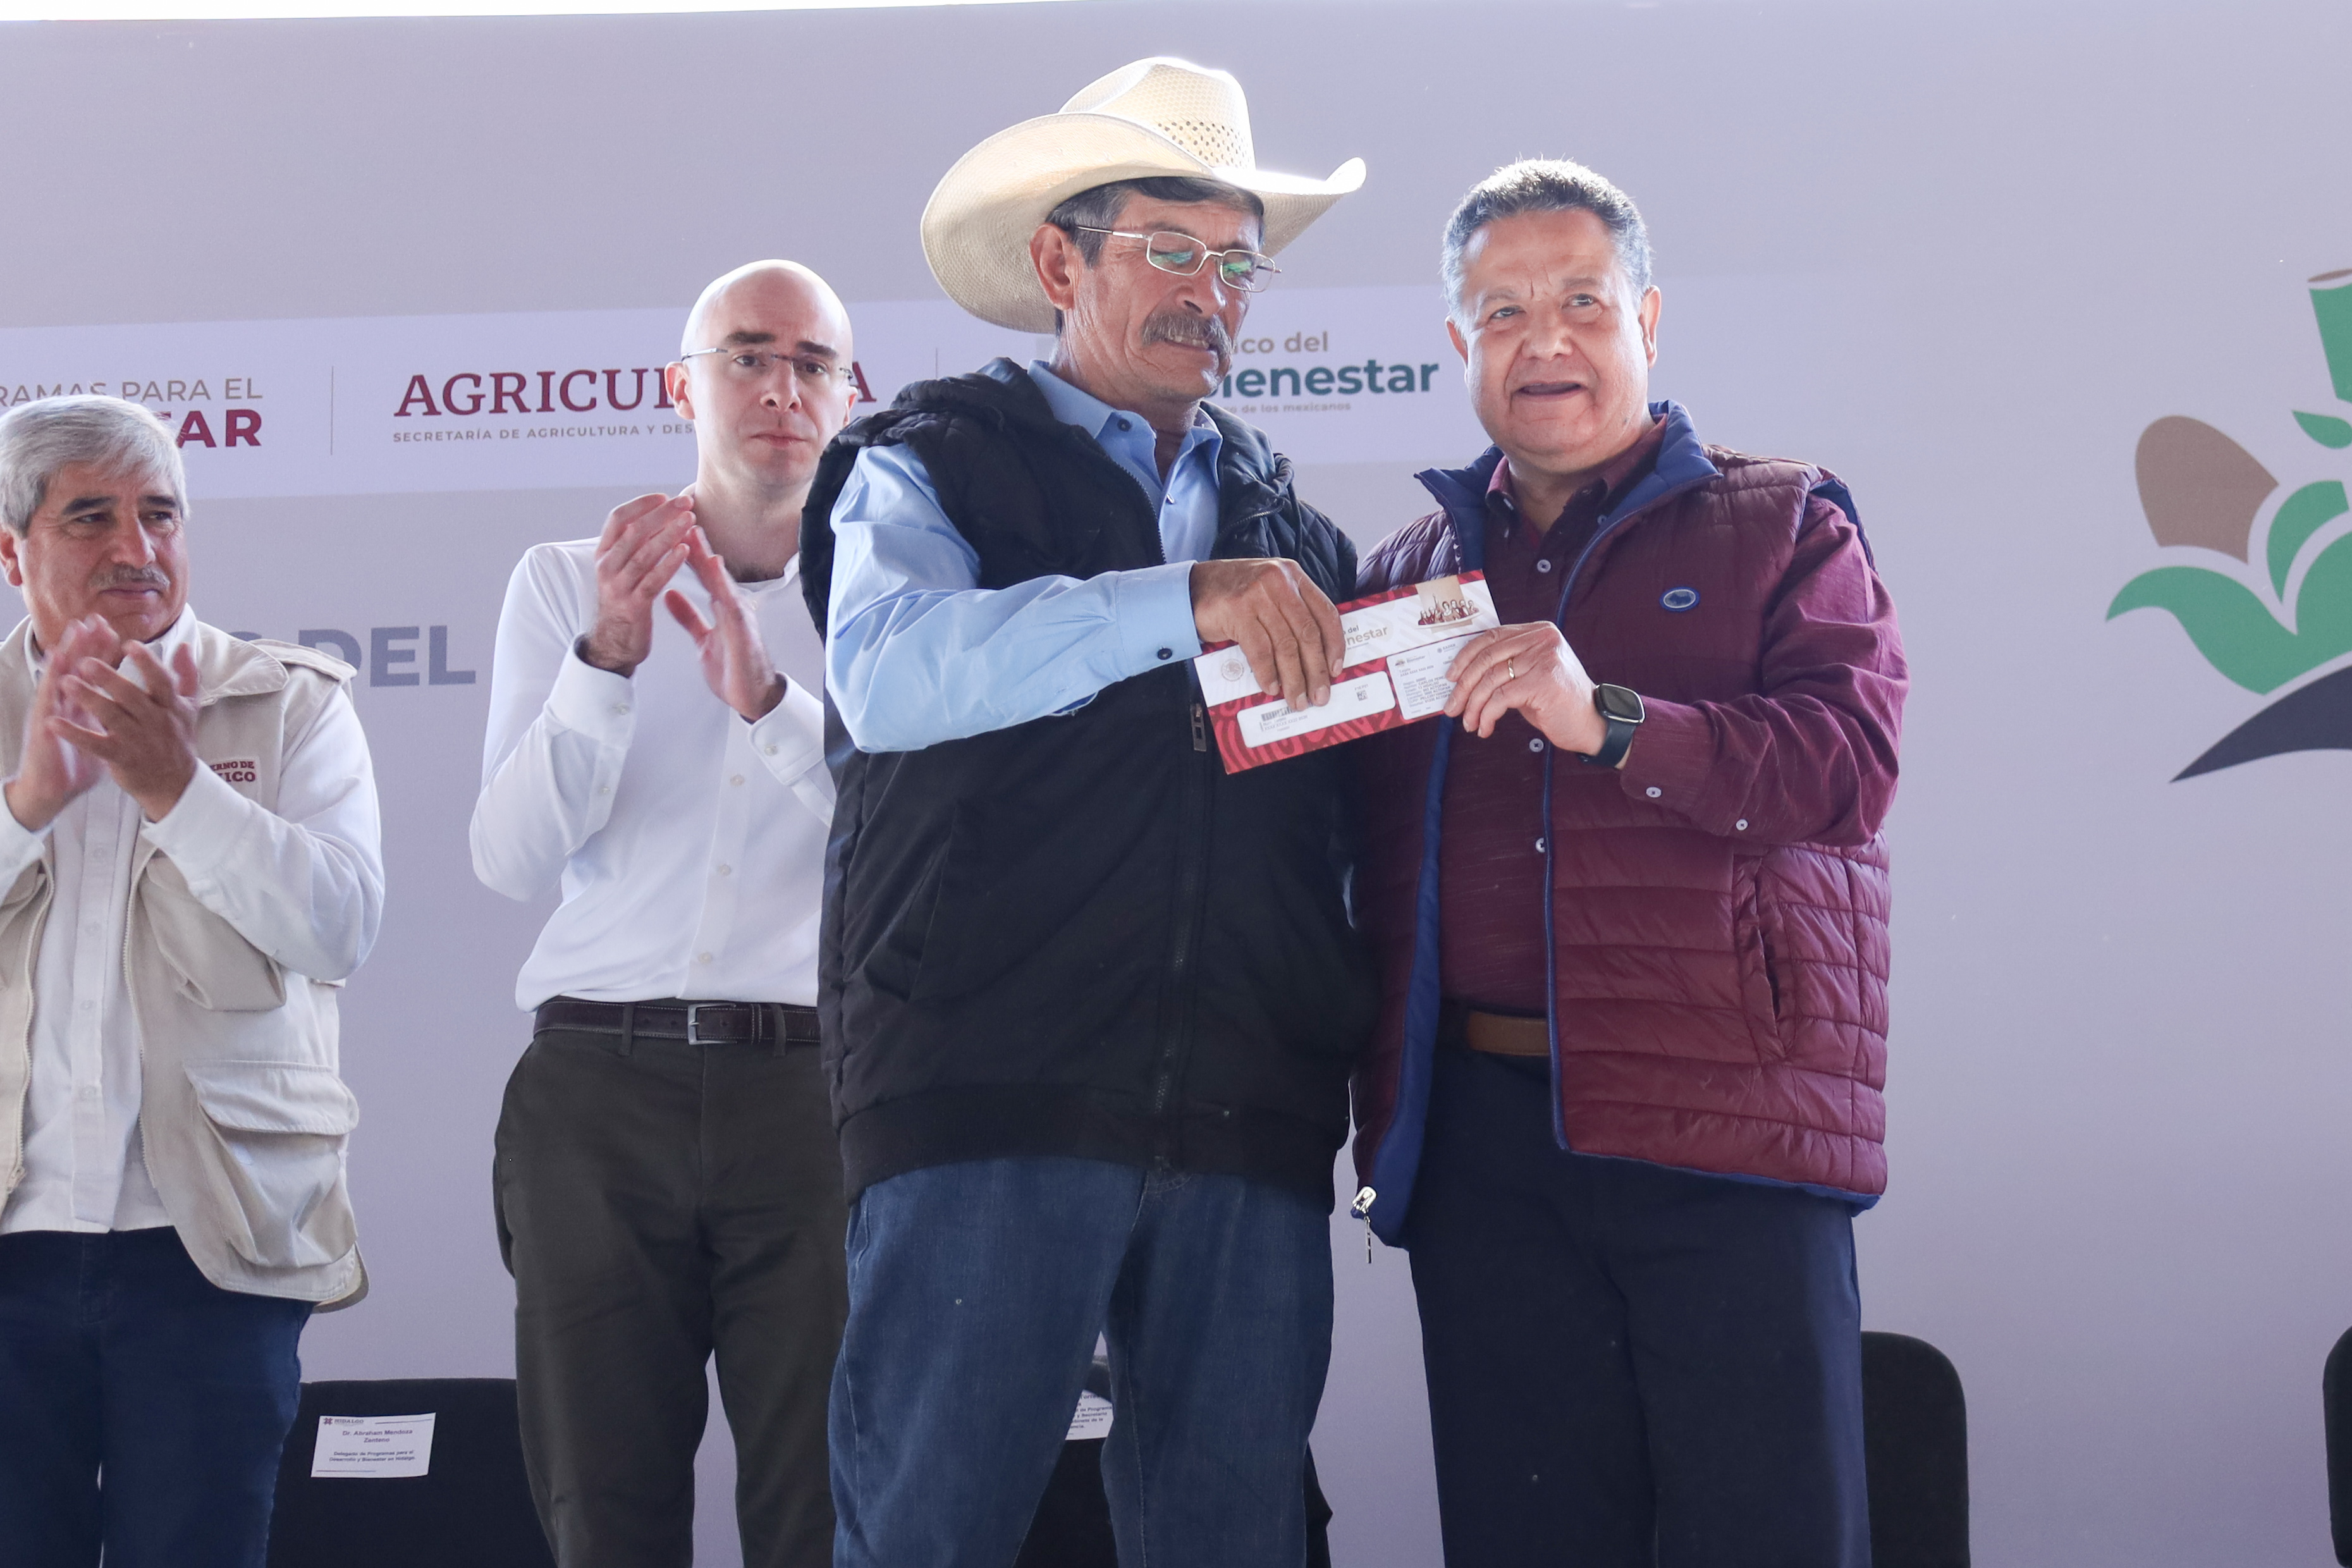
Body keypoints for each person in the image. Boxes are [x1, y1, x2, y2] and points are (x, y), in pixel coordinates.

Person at [799, 58, 1373, 1568]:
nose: (1211, 294)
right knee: (928, 1536)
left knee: (1236, 1541)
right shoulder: (925, 461)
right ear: (1060, 263)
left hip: (1248, 1114)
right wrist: (1181, 600)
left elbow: (1351, 840)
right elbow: (891, 675)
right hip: (987, 1089)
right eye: (1170, 250)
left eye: (1236, 262)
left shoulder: (1304, 539)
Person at [1349, 159, 1908, 1566]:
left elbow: (1846, 771)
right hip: (1481, 1149)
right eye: (1503, 311)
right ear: (1458, 342)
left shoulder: (1785, 520)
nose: (1543, 339)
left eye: (1582, 302)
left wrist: (1605, 719)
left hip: (1728, 1126)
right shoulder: (1405, 575)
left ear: (1647, 320)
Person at [471, 260, 857, 1568]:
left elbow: (917, 855)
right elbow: (508, 857)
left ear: (847, 396)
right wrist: (606, 663)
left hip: (815, 1095)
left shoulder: (894, 595)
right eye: (746, 356)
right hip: (598, 1092)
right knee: (603, 1514)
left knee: (824, 1513)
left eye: (812, 363)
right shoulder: (564, 582)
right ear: (679, 387)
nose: (780, 388)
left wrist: (774, 707)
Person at [0, 395, 384, 1568]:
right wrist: (27, 805)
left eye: (160, 514)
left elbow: (339, 928)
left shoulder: (290, 701)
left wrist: (180, 789)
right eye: (91, 517)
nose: (136, 547)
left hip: (210, 1245)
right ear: (12, 551)